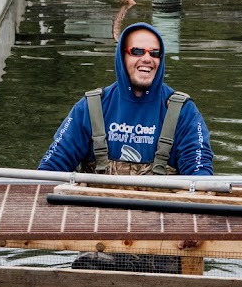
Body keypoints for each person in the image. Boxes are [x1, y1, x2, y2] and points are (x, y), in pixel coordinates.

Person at [38, 22, 212, 176]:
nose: (146, 59)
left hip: (160, 212)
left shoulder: (183, 111)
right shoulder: (90, 107)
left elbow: (200, 172)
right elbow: (51, 168)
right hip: (96, 210)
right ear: (122, 57)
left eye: (154, 53)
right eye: (137, 51)